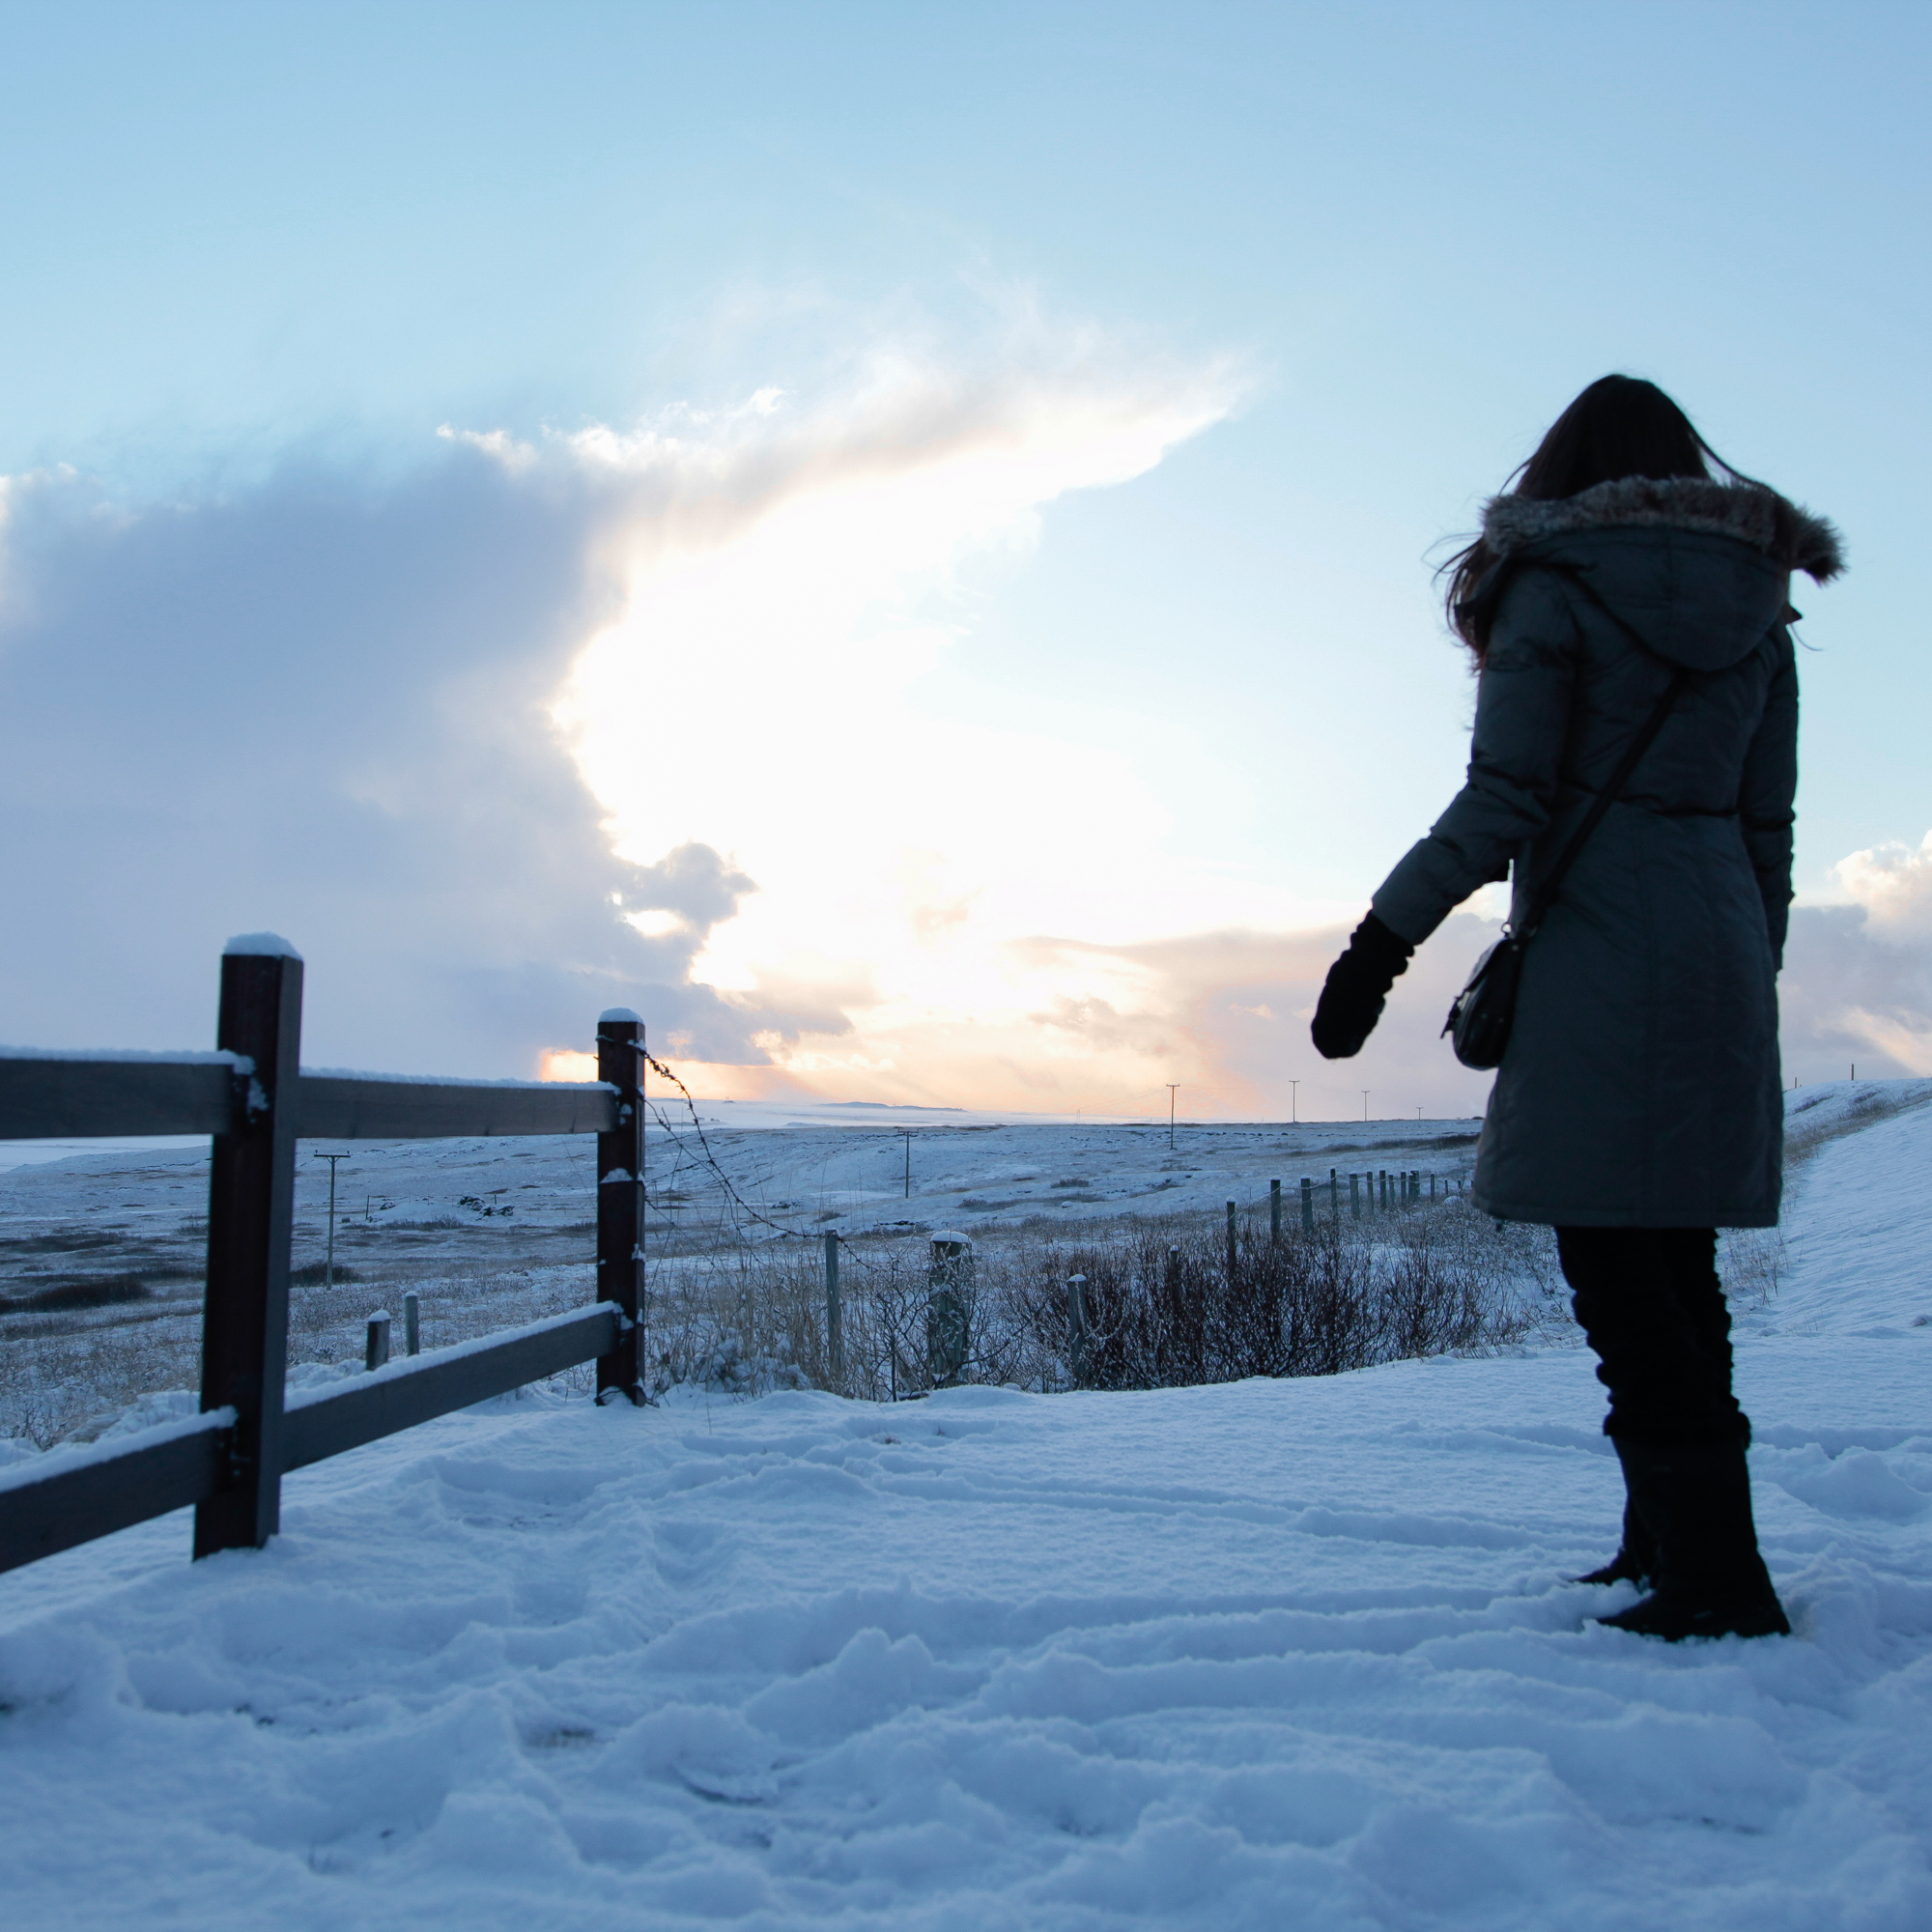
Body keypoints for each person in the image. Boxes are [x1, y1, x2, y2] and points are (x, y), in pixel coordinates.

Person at [1311, 376, 1842, 1641]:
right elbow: (1767, 827)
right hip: (1713, 943)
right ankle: (1666, 1546)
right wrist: (1743, 971)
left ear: (1564, 471)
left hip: (1604, 949)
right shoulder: (1757, 607)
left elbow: (1505, 801)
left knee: (1617, 1276)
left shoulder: (1552, 586)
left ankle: (1718, 1581)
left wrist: (1376, 946)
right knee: (1678, 1267)